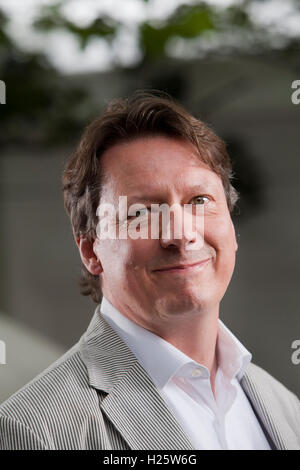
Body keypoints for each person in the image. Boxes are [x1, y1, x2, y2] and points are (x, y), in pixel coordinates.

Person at [0, 91, 299, 450]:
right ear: (91, 250)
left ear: (231, 227)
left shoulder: (285, 409)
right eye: (141, 213)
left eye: (199, 201)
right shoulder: (33, 431)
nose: (181, 234)